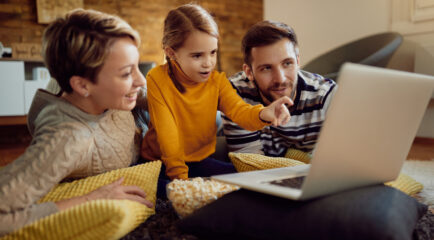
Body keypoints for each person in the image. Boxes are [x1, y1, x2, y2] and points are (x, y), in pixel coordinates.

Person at [0, 9, 153, 236]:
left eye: (137, 67)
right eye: (126, 74)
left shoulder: (91, 84)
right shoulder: (68, 139)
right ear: (82, 86)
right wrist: (91, 198)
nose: (140, 80)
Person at [140, 4, 292, 184]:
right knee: (161, 192)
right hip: (158, 163)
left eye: (212, 52)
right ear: (171, 53)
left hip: (198, 161)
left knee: (247, 181)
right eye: (197, 56)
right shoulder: (157, 78)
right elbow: (168, 134)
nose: (208, 63)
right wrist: (182, 182)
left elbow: (240, 111)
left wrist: (264, 113)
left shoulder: (217, 81)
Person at [222, 20, 337, 157]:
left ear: (298, 62)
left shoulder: (326, 96)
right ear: (249, 72)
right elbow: (249, 163)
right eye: (267, 68)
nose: (280, 79)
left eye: (287, 63)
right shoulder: (235, 93)